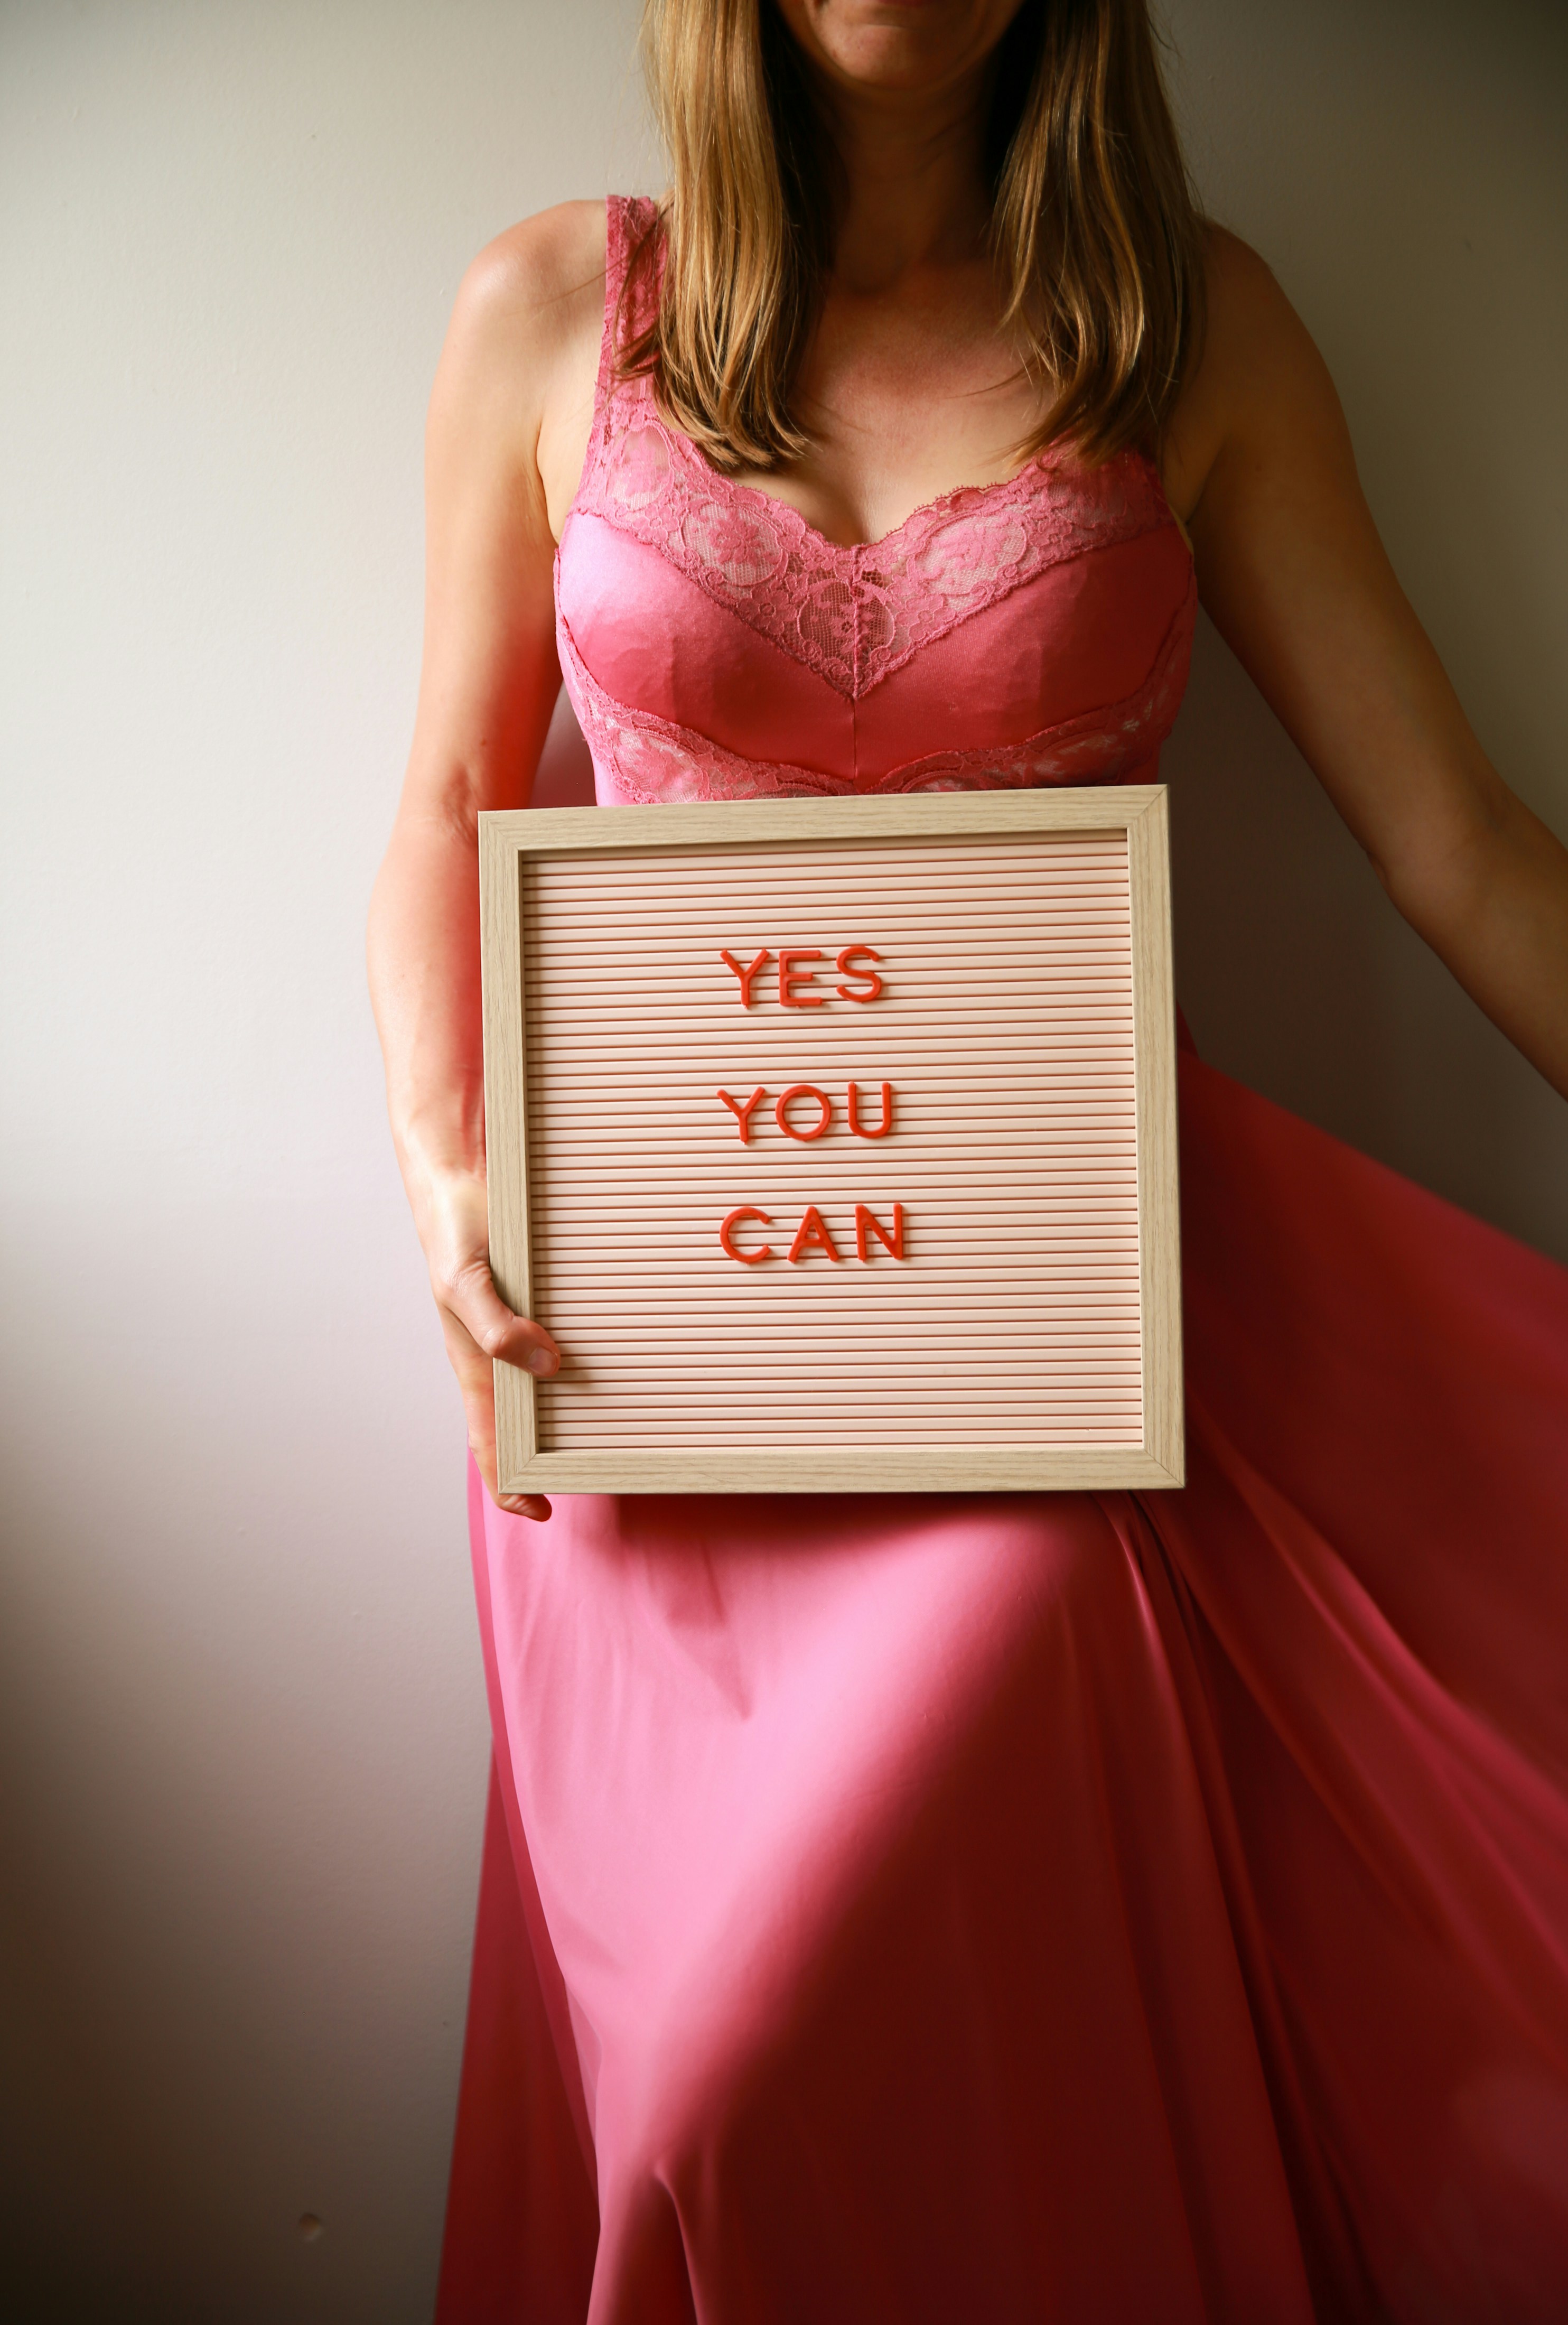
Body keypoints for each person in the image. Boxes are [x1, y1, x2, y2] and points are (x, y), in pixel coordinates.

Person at [367, 1, 1568, 2315]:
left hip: (1056, 1341)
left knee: (806, 2027)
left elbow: (1459, 846)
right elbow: (442, 790)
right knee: (703, 2107)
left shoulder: (1192, 325)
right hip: (648, 1333)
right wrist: (444, 1173)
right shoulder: (543, 307)